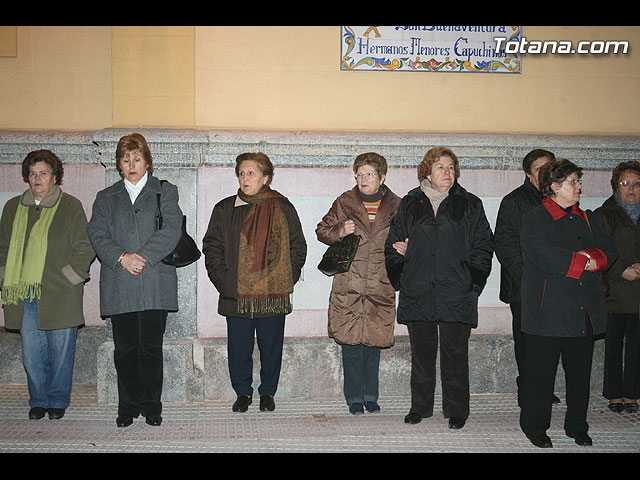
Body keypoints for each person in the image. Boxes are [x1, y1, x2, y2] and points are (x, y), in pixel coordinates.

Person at [384, 147, 494, 429]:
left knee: (455, 354)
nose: (447, 173)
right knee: (421, 353)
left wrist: (473, 282)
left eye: (451, 167)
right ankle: (420, 407)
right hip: (418, 288)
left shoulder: (469, 203)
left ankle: (457, 410)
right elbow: (393, 244)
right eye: (440, 167)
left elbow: (483, 245)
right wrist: (402, 274)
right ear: (427, 173)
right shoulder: (410, 203)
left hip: (456, 290)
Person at [519, 159, 616, 448]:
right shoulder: (535, 218)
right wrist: (584, 261)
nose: (579, 186)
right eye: (573, 181)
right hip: (547, 311)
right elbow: (542, 254)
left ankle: (577, 425)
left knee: (579, 376)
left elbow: (609, 251)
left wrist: (591, 260)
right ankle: (535, 426)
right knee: (540, 376)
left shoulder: (587, 217)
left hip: (581, 311)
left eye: (578, 180)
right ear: (554, 187)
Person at [87, 133, 183, 428]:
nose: (131, 164)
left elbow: (172, 228)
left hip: (154, 282)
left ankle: (152, 405)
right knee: (125, 350)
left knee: (150, 348)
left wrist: (141, 256)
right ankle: (127, 405)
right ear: (119, 164)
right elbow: (97, 233)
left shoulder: (164, 191)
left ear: (147, 162)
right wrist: (121, 257)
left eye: (136, 158)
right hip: (120, 284)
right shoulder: (106, 197)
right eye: (125, 159)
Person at [202, 152, 307, 413]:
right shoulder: (225, 208)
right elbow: (212, 247)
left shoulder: (283, 206)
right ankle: (242, 393)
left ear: (265, 177)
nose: (245, 178)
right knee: (239, 348)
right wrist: (225, 282)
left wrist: (285, 278)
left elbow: (298, 246)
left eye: (251, 173)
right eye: (241, 173)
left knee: (271, 348)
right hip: (235, 293)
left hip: (273, 293)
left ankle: (268, 393)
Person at [0, 150, 94, 420]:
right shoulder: (13, 208)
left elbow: (84, 246)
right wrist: (6, 278)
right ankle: (38, 400)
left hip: (60, 292)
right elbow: (3, 247)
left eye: (43, 173)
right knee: (32, 353)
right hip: (24, 294)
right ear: (26, 177)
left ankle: (58, 400)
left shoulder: (70, 206)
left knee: (61, 352)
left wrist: (70, 276)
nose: (37, 178)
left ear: (55, 176)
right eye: (32, 173)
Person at [316, 152, 401, 415]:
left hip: (380, 282)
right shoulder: (346, 201)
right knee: (351, 342)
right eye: (359, 174)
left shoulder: (397, 205)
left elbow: (411, 236)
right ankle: (354, 397)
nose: (363, 179)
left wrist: (408, 247)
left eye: (369, 174)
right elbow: (322, 230)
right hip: (349, 283)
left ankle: (371, 395)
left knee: (373, 342)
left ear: (382, 177)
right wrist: (339, 231)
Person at [494, 149, 561, 406]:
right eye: (539, 169)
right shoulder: (515, 201)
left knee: (551, 338)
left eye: (550, 167)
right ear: (528, 173)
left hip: (556, 284)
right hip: (524, 285)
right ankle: (528, 387)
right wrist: (528, 276)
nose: (545, 173)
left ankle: (544, 385)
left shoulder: (562, 199)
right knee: (527, 340)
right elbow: (504, 242)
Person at [594, 161, 640, 414]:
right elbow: (601, 248)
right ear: (615, 187)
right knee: (613, 345)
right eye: (625, 183)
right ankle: (614, 393)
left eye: (636, 183)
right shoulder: (605, 213)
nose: (631, 189)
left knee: (636, 345)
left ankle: (632, 393)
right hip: (615, 289)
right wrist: (621, 268)